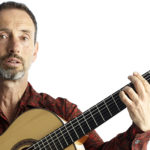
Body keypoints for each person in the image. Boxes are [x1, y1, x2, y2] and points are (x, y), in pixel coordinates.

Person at [0, 1, 149, 150]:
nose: (14, 47)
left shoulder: (60, 112)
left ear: (35, 51)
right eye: (3, 36)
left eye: (24, 37)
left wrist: (141, 130)